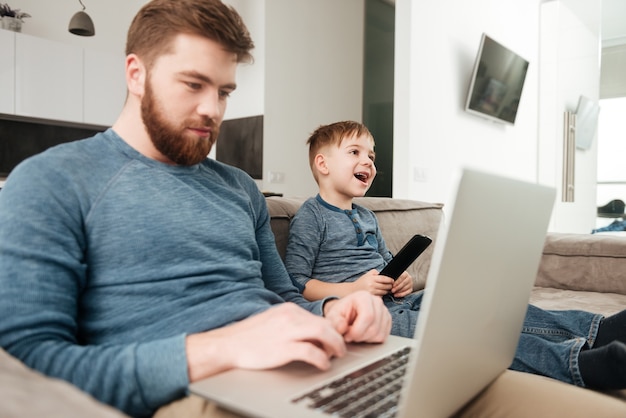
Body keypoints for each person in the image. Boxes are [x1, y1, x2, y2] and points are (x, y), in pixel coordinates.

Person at [0, 1, 626, 417]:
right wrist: (219, 350)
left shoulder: (238, 189)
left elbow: (286, 299)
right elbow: (27, 370)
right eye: (194, 85)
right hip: (198, 391)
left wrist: (341, 308)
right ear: (135, 72)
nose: (213, 110)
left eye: (225, 91)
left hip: (318, 363)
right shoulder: (52, 182)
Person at [285, 120, 626, 392]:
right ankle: (579, 362)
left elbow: (384, 261)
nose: (368, 161)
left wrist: (399, 277)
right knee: (470, 339)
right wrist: (353, 290)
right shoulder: (310, 216)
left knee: (487, 305)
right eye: (355, 152)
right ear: (323, 163)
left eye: (372, 155)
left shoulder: (366, 216)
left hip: (401, 300)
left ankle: (596, 329)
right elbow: (297, 284)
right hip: (369, 317)